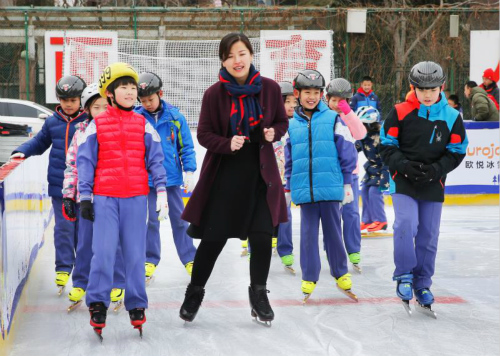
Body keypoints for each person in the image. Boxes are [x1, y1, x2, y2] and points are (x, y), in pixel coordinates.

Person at [179, 33, 288, 326]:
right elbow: (203, 134)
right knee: (212, 240)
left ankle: (259, 294)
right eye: (229, 56)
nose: (236, 61)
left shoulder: (270, 88)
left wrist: (272, 133)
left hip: (260, 175)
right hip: (225, 176)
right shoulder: (214, 94)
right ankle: (194, 291)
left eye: (241, 53)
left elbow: (281, 121)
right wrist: (226, 143)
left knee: (263, 239)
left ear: (251, 55)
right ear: (223, 61)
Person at [77, 62, 168, 339]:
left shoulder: (143, 123)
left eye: (132, 87)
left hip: (136, 198)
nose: (130, 92)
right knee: (103, 252)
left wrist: (161, 190)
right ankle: (97, 302)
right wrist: (85, 196)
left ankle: (137, 303)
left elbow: (155, 158)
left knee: (134, 255)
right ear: (110, 94)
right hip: (105, 197)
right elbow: (85, 161)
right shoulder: (97, 124)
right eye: (123, 87)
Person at [380, 61, 468, 316]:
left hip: (433, 181)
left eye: (432, 89)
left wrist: (437, 170)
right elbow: (386, 146)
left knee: (429, 234)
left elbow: (457, 151)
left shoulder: (452, 117)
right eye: (422, 89)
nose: (427, 94)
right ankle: (405, 275)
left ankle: (423, 283)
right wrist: (404, 166)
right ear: (413, 88)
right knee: (406, 225)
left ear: (441, 87)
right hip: (403, 178)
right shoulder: (399, 111)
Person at [285, 69, 358, 303]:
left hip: (329, 188)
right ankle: (309, 277)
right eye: (307, 92)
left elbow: (347, 151)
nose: (312, 97)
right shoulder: (291, 126)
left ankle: (341, 273)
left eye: (316, 92)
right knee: (307, 236)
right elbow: (289, 159)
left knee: (333, 234)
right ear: (297, 93)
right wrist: (288, 186)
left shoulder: (332, 118)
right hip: (305, 191)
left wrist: (347, 182)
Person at [10, 75, 87, 294]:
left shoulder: (89, 121)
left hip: (84, 188)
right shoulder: (53, 121)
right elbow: (40, 142)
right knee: (63, 229)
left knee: (83, 231)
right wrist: (22, 151)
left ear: (80, 100)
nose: (68, 104)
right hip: (59, 186)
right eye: (64, 100)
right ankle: (63, 267)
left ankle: (84, 269)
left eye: (72, 100)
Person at [62, 83, 126, 311]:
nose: (101, 110)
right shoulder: (81, 133)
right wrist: (69, 195)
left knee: (113, 242)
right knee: (85, 242)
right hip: (86, 198)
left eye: (104, 106)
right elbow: (72, 166)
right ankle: (81, 282)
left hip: (110, 196)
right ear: (88, 110)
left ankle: (117, 281)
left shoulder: (118, 129)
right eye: (96, 107)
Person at [135, 72, 198, 281]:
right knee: (151, 221)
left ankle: (189, 258)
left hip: (171, 180)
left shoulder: (174, 117)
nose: (147, 104)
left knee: (180, 220)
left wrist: (189, 170)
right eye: (143, 101)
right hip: (148, 181)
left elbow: (186, 146)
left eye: (150, 99)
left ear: (160, 94)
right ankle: (150, 260)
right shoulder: (136, 118)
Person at [324, 78, 367, 271]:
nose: (338, 105)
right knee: (331, 216)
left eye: (343, 101)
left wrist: (348, 113)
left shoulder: (349, 117)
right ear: (326, 99)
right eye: (334, 101)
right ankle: (331, 249)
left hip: (350, 174)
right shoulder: (321, 117)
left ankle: (354, 250)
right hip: (328, 175)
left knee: (351, 213)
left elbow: (360, 134)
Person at [355, 106, 389, 233]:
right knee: (364, 191)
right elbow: (354, 149)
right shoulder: (363, 136)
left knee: (374, 193)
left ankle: (381, 220)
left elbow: (387, 160)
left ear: (370, 124)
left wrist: (385, 179)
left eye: (361, 124)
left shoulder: (381, 138)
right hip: (371, 169)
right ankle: (367, 220)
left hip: (382, 169)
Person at [275, 81, 298, 273]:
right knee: (264, 214)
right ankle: (253, 246)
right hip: (268, 179)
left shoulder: (297, 124)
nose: (292, 106)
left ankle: (285, 250)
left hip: (287, 180)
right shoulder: (270, 124)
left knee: (286, 215)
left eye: (293, 102)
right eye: (287, 102)